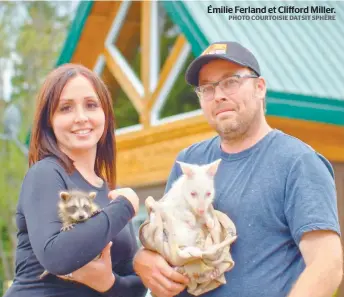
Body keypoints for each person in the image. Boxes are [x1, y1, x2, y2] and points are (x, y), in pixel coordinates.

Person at [133, 41, 343, 297]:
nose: (218, 95)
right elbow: (160, 238)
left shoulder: (299, 162)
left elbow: (327, 265)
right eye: (207, 88)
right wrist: (143, 261)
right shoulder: (189, 161)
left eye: (230, 81)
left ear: (260, 88)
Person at [4, 63, 147, 297]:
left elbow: (137, 287)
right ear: (49, 120)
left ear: (105, 115)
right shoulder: (46, 174)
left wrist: (107, 283)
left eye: (91, 105)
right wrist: (124, 207)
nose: (81, 117)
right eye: (66, 108)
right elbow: (56, 255)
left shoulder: (110, 191)